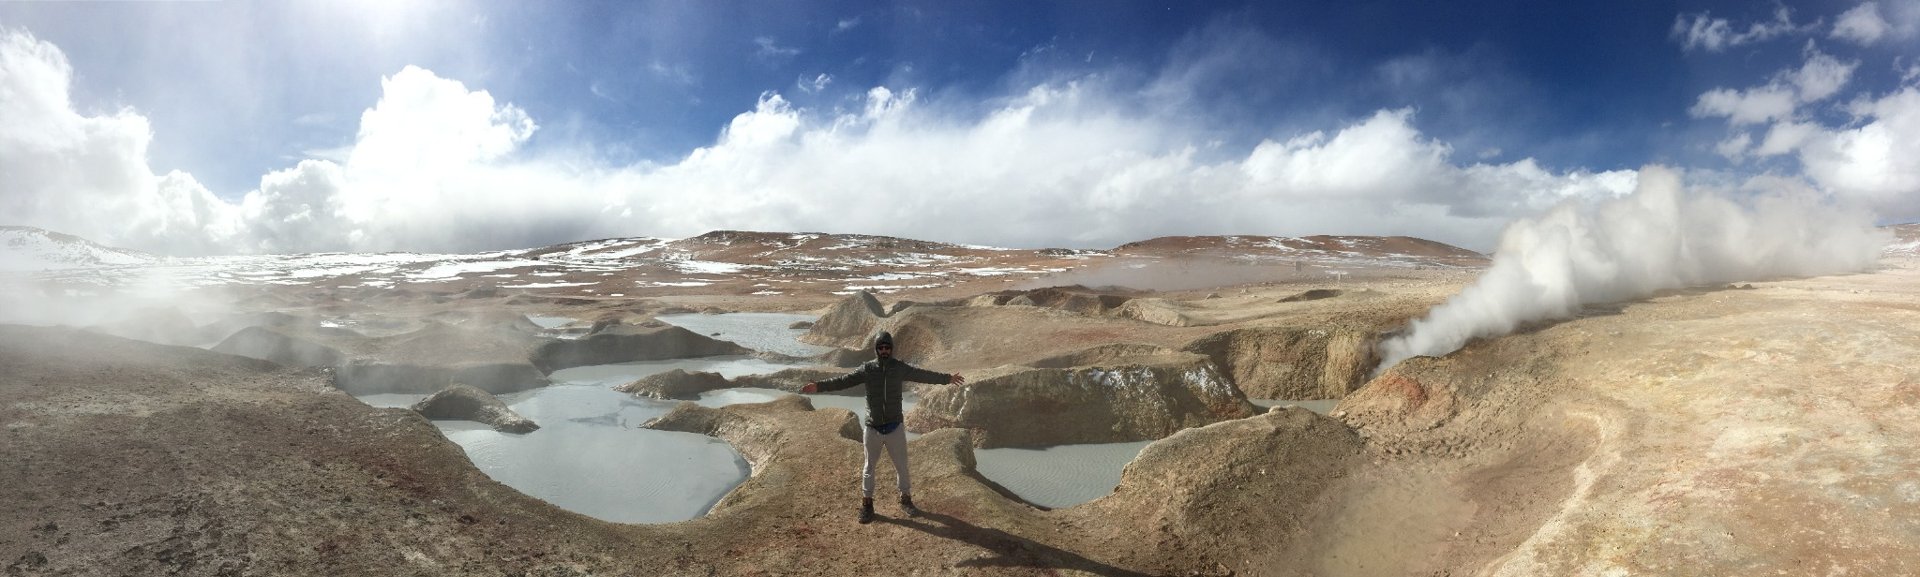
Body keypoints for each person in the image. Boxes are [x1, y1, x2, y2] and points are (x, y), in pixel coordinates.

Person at [801, 330, 966, 524]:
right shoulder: (867, 369)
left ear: (892, 349)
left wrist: (947, 378)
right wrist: (819, 387)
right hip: (873, 428)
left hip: (895, 426)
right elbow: (843, 381)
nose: (884, 350)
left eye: (887, 347)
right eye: (881, 347)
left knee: (902, 467)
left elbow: (923, 375)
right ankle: (867, 504)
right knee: (869, 467)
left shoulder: (900, 368)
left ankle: (905, 500)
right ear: (876, 349)